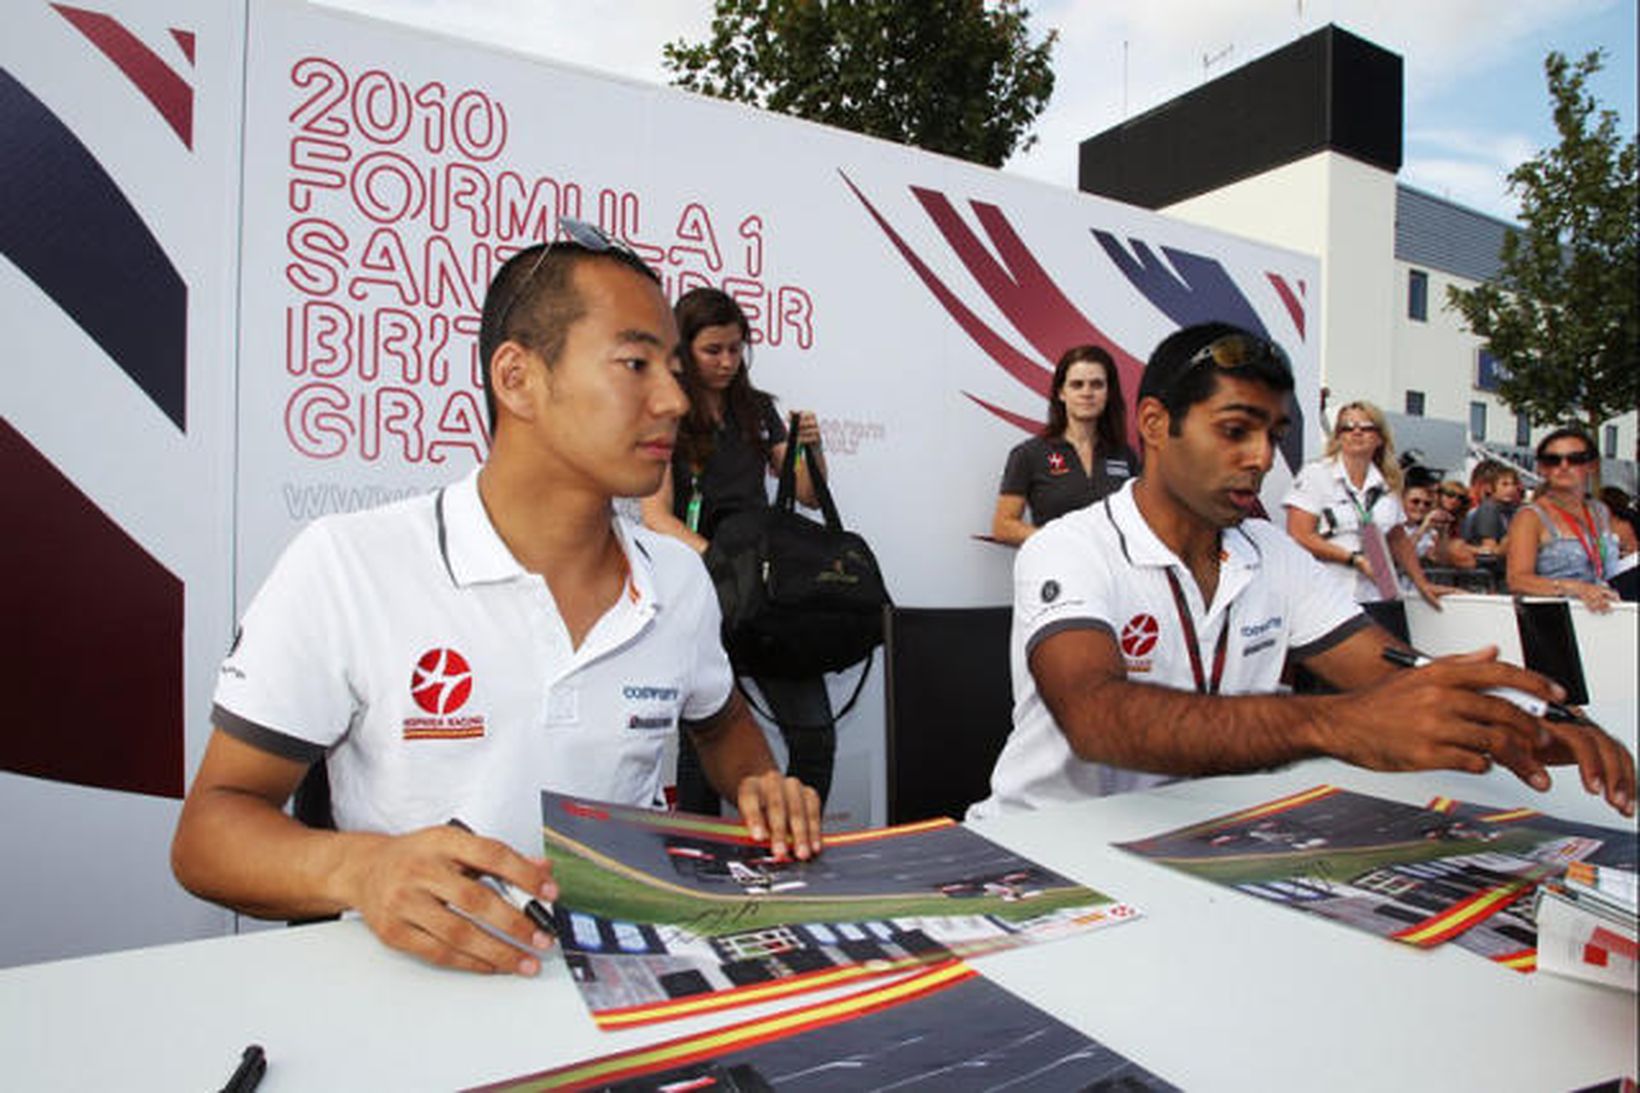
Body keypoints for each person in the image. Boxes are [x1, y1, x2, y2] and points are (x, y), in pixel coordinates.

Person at [172, 224, 823, 977]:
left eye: (675, 368)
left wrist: (763, 792)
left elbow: (726, 724)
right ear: (516, 378)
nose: (675, 399)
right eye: (637, 363)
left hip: (624, 993)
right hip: (415, 1005)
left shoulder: (676, 581)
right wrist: (361, 870)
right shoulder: (350, 564)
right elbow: (208, 835)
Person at [968, 322, 1633, 820]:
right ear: (1155, 423)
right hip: (1051, 849)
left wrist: (1532, 717)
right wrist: (1334, 725)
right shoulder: (1067, 546)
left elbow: (1390, 670)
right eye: (1235, 429)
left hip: (1200, 842)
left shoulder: (1271, 551)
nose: (1261, 456)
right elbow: (1097, 717)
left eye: (1276, 433)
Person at [639, 287, 839, 813]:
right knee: (704, 745)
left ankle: (792, 838)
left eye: (735, 349)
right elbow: (655, 518)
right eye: (713, 350)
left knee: (815, 736)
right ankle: (700, 871)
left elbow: (807, 494)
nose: (727, 362)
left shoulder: (758, 410)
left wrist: (810, 446)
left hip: (765, 599)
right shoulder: (668, 413)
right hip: (704, 591)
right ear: (685, 350)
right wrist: (723, 564)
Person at [1283, 401, 1449, 606]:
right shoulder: (1316, 475)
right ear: (1338, 436)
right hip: (1327, 595)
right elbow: (1299, 535)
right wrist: (1355, 560)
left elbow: (1397, 538)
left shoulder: (1387, 484)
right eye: (1348, 427)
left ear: (1379, 437)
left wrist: (1421, 583)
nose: (1357, 432)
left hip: (1377, 594)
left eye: (1366, 427)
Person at [991, 345, 1140, 544]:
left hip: (1115, 572)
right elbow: (1003, 526)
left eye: (1096, 384)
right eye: (1077, 385)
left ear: (1108, 392)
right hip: (1056, 570)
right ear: (1061, 393)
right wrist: (1062, 543)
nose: (1087, 393)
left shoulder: (1125, 455)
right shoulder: (1029, 454)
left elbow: (1142, 522)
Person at [1505, 428, 1637, 613]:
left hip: (1604, 612)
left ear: (1591, 465)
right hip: (1555, 618)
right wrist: (1576, 588)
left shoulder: (1600, 511)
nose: (1564, 465)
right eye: (1553, 460)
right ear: (1542, 469)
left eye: (1575, 459)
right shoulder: (1530, 516)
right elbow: (1517, 580)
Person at [1462, 466, 1523, 552]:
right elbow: (1490, 550)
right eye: (1504, 484)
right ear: (1490, 488)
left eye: (1514, 484)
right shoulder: (1488, 509)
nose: (1511, 489)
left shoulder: (1512, 509)